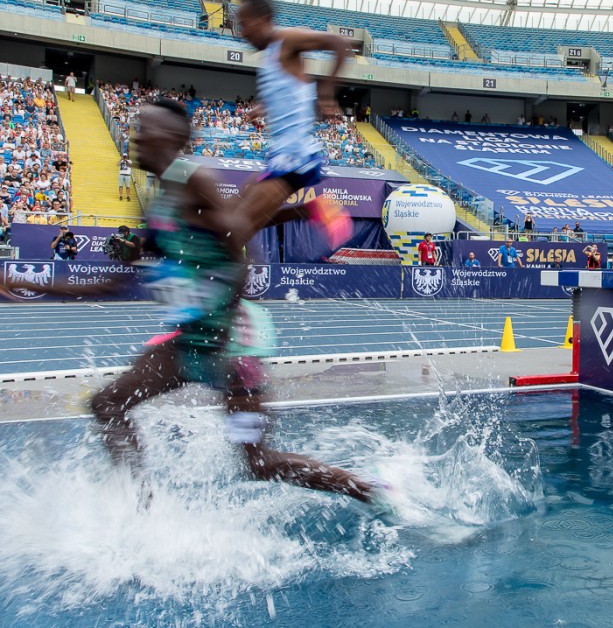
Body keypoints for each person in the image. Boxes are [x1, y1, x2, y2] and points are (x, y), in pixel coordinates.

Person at [4, 101, 380, 505]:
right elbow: (112, 285)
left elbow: (240, 246)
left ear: (174, 139)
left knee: (258, 463)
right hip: (188, 340)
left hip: (233, 344)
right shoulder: (158, 200)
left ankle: (372, 491)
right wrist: (21, 282)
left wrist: (220, 324)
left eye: (146, 130)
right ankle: (140, 510)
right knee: (108, 403)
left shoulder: (192, 178)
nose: (136, 138)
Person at [235, 0, 353, 250]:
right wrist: (263, 107)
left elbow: (340, 43)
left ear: (263, 19)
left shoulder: (286, 40)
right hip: (281, 155)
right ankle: (312, 209)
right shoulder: (270, 58)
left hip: (295, 158)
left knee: (236, 229)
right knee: (240, 212)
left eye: (244, 24)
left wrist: (327, 89)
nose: (241, 33)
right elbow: (291, 92)